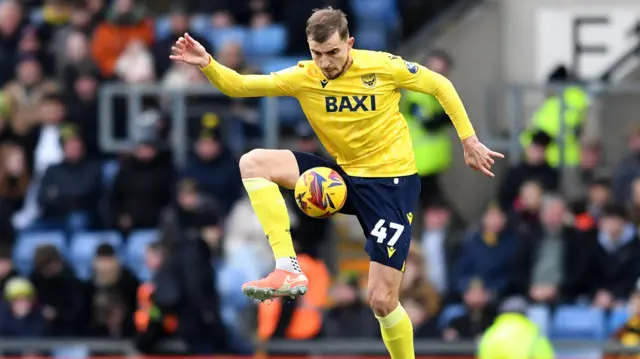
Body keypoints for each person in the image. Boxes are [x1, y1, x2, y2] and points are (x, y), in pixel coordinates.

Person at [170, 7, 503, 359]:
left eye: (333, 52)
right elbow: (240, 86)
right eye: (317, 54)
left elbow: (440, 84)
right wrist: (207, 62)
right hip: (343, 176)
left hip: (390, 185)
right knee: (252, 163)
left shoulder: (382, 66)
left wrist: (469, 140)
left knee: (381, 300)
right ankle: (287, 267)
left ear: (350, 43)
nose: (326, 62)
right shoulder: (305, 77)